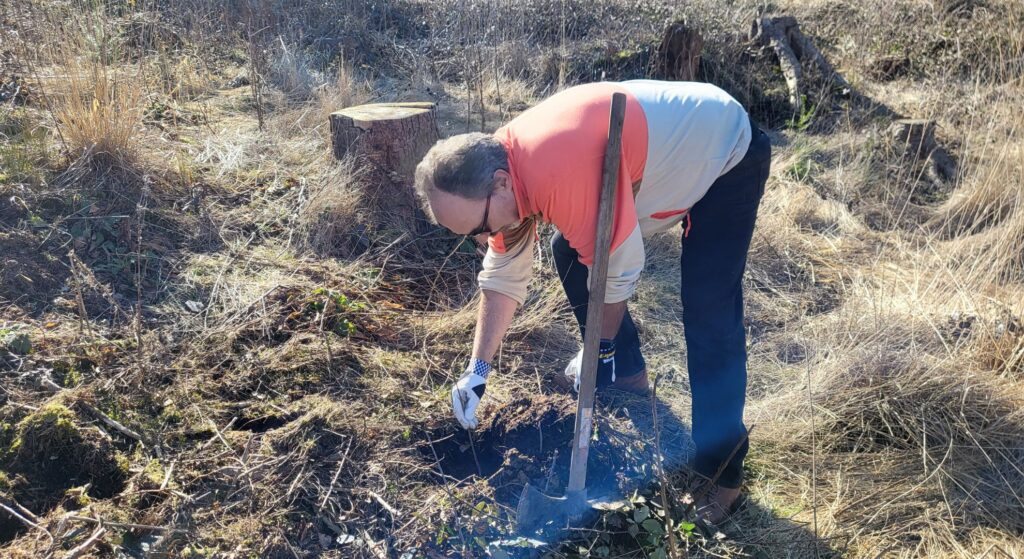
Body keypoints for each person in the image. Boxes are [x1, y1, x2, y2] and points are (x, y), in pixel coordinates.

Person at [413, 79, 771, 524]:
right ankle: (630, 374)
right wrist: (477, 371)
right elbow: (504, 274)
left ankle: (723, 475)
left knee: (708, 311)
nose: (484, 239)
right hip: (655, 158)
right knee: (570, 250)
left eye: (478, 228)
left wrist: (597, 349)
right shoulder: (496, 166)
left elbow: (618, 267)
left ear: (501, 184)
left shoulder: (555, 170)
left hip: (722, 152)